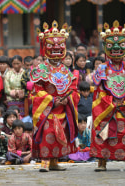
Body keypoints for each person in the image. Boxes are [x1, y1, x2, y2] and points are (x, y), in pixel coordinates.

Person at [91, 20, 125, 171]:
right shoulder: (101, 69)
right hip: (107, 109)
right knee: (103, 130)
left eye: (120, 45)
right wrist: (110, 103)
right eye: (111, 45)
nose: (115, 48)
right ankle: (102, 161)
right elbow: (98, 92)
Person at [31, 20, 80, 172]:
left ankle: (54, 161)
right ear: (45, 47)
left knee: (60, 135)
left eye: (60, 45)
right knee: (47, 133)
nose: (56, 48)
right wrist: (52, 100)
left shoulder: (66, 70)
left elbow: (73, 88)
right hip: (48, 108)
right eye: (52, 45)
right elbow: (37, 90)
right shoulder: (41, 69)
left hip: (63, 107)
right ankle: (45, 162)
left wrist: (67, 99)